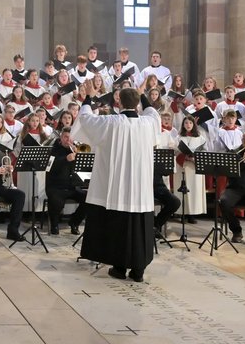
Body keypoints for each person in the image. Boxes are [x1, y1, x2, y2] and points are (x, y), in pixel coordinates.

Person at [76, 83, 159, 283]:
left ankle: (119, 268)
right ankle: (138, 271)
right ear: (137, 104)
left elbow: (86, 119)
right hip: (140, 190)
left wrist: (88, 97)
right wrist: (142, 95)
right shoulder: (148, 123)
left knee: (118, 226)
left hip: (117, 190)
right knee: (139, 228)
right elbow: (152, 112)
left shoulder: (111, 122)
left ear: (119, 102)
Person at [45, 127, 87, 235]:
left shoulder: (75, 149)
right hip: (55, 186)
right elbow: (49, 167)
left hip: (71, 186)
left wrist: (79, 156)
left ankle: (74, 222)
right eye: (66, 137)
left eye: (70, 138)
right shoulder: (53, 149)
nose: (68, 140)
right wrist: (65, 159)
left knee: (88, 199)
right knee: (56, 201)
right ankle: (54, 224)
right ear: (61, 137)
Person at [174, 115, 207, 223]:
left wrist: (194, 159)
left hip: (194, 168)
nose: (188, 125)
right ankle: (183, 213)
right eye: (186, 123)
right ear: (183, 125)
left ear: (194, 125)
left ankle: (192, 214)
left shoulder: (200, 138)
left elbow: (204, 152)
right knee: (182, 190)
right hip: (182, 167)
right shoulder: (179, 137)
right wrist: (185, 157)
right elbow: (175, 151)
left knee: (194, 190)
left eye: (190, 123)